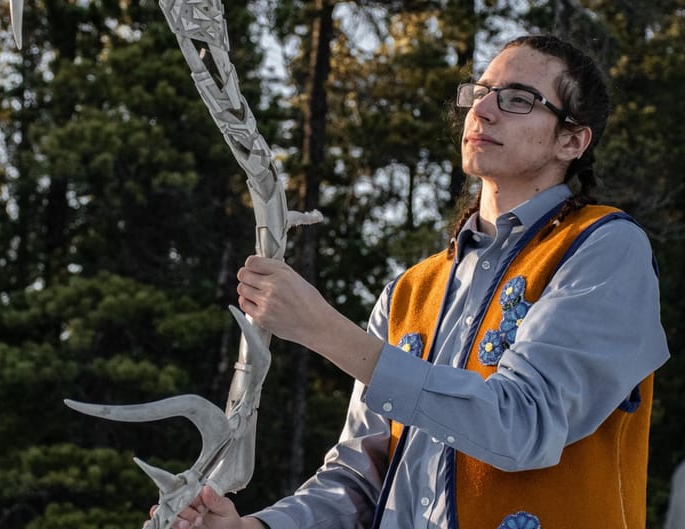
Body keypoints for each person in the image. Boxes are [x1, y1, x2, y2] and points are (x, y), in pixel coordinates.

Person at [155, 34, 670, 529]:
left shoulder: (604, 248)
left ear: (572, 139)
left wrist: (323, 330)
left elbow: (523, 424)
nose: (482, 111)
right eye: (481, 93)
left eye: (518, 99)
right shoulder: (409, 291)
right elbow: (361, 479)